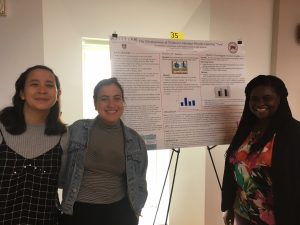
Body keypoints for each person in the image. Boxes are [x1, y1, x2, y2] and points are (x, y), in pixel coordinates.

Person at [59, 77, 148, 225]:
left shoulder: (135, 140)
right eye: (104, 99)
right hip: (79, 211)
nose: (111, 104)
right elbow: (60, 166)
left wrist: (135, 211)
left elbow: (140, 181)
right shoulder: (77, 130)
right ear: (95, 103)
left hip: (120, 212)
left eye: (117, 98)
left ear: (123, 102)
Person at [221, 75, 300, 225]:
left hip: (277, 218)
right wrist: (228, 207)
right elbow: (231, 170)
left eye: (267, 98)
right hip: (243, 213)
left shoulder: (294, 133)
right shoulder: (245, 130)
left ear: (280, 99)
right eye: (254, 99)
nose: (260, 103)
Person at [0, 65, 68, 225]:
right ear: (22, 93)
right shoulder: (1, 128)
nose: (42, 90)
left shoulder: (63, 135)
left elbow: (63, 181)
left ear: (58, 94)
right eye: (34, 84)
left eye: (49, 85)